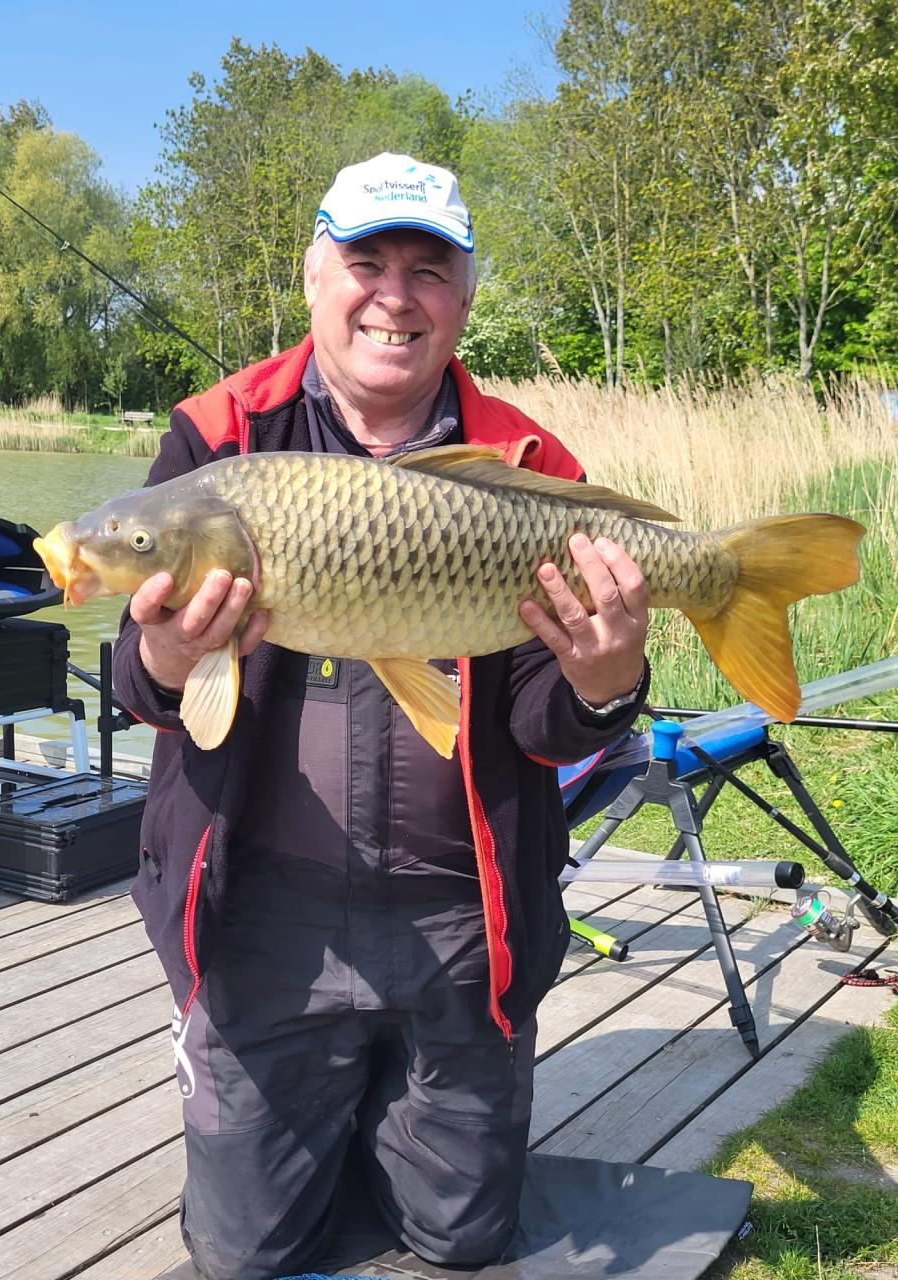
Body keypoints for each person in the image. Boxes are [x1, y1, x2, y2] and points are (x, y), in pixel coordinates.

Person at [114, 152, 650, 1280]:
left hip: (462, 914)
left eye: (428, 269)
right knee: (243, 1251)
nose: (394, 295)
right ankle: (308, 1117)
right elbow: (141, 685)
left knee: (462, 1239)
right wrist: (163, 649)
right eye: (366, 262)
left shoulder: (526, 461)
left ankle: (386, 1122)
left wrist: (606, 682)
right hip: (264, 914)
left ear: (462, 297)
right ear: (315, 277)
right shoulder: (220, 438)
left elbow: (550, 720)